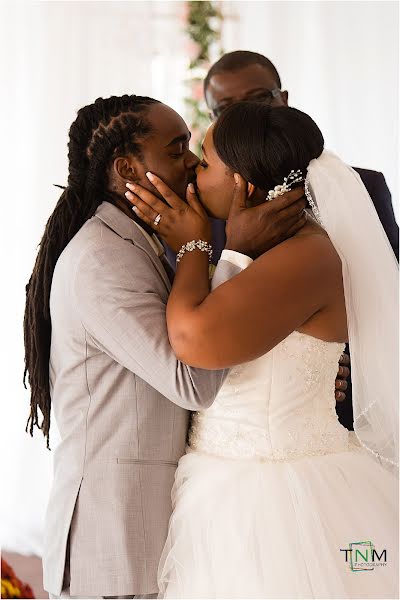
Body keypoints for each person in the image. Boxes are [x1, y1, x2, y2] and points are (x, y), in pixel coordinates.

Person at [23, 95, 307, 599]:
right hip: (117, 540)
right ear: (128, 168)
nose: (195, 163)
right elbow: (191, 381)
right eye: (177, 151)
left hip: (156, 529)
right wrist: (232, 254)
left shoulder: (140, 240)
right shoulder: (102, 259)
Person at [127, 102, 398, 598]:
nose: (192, 168)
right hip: (233, 480)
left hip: (283, 495)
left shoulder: (308, 255)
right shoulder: (284, 248)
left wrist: (192, 248)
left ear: (243, 184)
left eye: (205, 162)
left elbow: (194, 341)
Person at [201, 49, 399, 430]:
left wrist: (335, 362)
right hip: (236, 410)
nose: (245, 115)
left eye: (257, 99)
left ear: (283, 100)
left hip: (342, 403)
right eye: (226, 108)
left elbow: (385, 287)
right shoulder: (205, 204)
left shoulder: (362, 187)